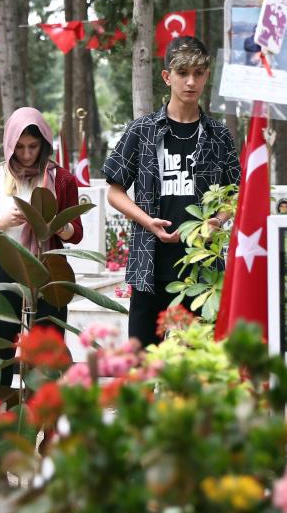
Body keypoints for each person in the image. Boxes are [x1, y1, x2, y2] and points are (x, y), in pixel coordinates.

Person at [103, 36, 241, 346]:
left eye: (198, 73)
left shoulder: (218, 135)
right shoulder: (142, 130)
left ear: (206, 76)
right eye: (182, 73)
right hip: (149, 267)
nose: (190, 81)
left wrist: (217, 221)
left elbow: (236, 192)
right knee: (142, 361)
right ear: (167, 77)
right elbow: (115, 191)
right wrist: (147, 221)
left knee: (198, 362)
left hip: (202, 271)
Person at [0, 107, 85, 386]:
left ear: (44, 143)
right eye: (19, 147)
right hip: (4, 267)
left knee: (48, 352)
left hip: (49, 270)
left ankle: (46, 411)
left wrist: (55, 224)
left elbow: (76, 233)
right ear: (9, 144)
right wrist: (2, 222)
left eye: (33, 146)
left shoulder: (62, 179)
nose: (27, 154)